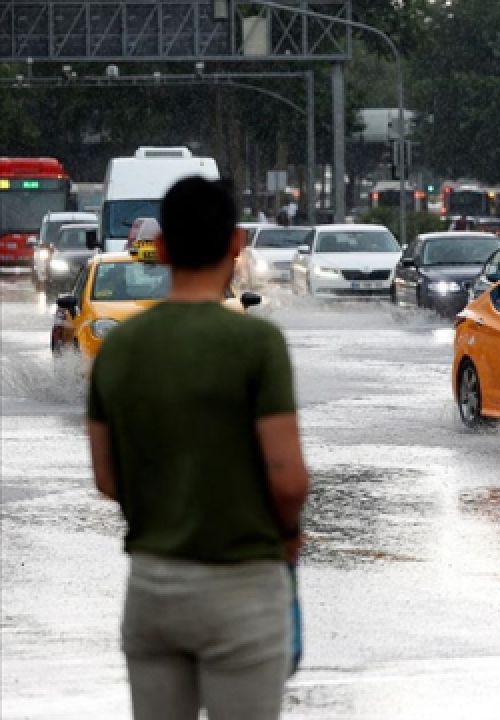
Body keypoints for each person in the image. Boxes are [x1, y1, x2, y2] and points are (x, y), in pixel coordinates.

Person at [87, 176, 309, 720]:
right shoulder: (257, 343)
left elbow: (107, 478)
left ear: (160, 250)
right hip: (243, 583)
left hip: (153, 586)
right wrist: (286, 537)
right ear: (236, 244)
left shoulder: (119, 350)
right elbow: (288, 479)